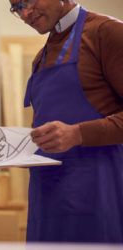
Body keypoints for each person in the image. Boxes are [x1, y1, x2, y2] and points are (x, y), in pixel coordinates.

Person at [8, 0, 123, 243]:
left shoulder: (108, 33)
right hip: (47, 198)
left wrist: (78, 134)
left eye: (28, 1)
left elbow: (71, 132)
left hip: (100, 197)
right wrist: (20, 152)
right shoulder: (40, 57)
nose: (25, 13)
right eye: (16, 7)